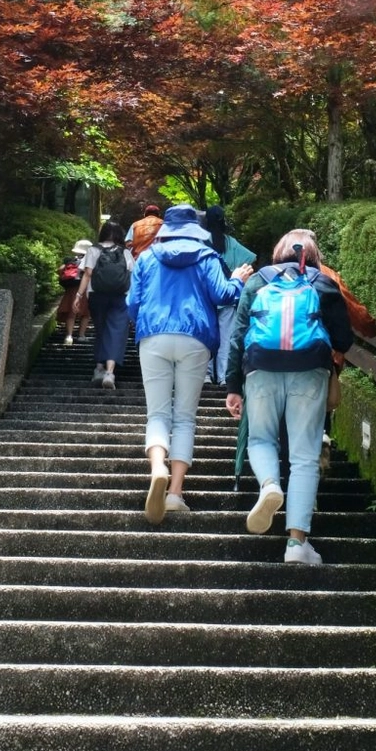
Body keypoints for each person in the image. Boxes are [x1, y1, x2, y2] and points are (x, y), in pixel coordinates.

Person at [224, 228, 353, 565]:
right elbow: (344, 338)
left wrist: (233, 386)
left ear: (278, 252)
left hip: (260, 369)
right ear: (314, 256)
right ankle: (297, 545)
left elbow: (238, 336)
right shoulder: (322, 282)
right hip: (309, 370)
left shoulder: (258, 282)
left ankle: (269, 485)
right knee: (305, 457)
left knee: (261, 439)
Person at [127, 203, 252, 523]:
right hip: (195, 339)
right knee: (183, 417)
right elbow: (224, 295)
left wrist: (144, 325)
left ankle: (158, 468)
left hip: (153, 336)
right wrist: (237, 279)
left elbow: (132, 304)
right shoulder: (208, 257)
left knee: (157, 413)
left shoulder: (148, 258)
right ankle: (174, 493)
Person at [202, 204, 256, 387]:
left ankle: (206, 376)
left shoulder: (201, 241)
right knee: (226, 339)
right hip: (228, 297)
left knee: (206, 338)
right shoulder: (231, 243)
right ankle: (224, 377)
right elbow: (250, 258)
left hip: (206, 298)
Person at [74, 221, 133, 389]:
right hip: (120, 297)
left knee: (101, 329)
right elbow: (132, 276)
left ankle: (98, 368)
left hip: (96, 296)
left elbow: (87, 274)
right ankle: (109, 372)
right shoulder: (125, 252)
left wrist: (78, 296)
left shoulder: (93, 250)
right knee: (116, 332)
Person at [57, 252, 82, 343]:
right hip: (84, 290)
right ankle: (81, 335)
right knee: (85, 314)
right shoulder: (87, 260)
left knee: (71, 313)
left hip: (71, 289)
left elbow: (60, 271)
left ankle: (69, 335)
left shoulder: (71, 261)